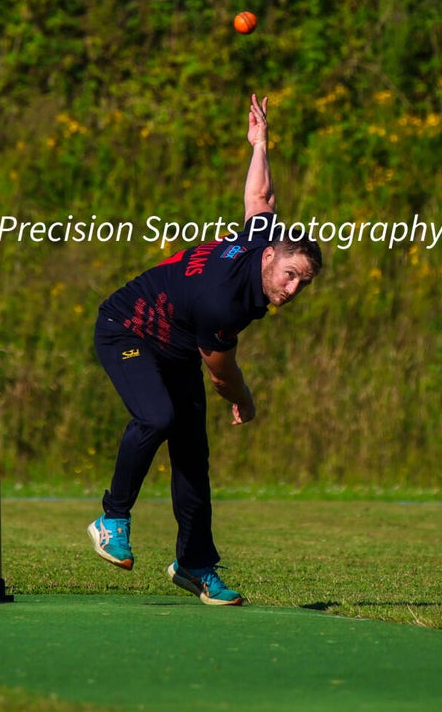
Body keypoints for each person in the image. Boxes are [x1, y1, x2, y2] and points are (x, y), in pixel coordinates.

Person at [88, 93, 322, 605]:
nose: (293, 289)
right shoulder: (226, 301)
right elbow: (220, 368)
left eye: (303, 282)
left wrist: (260, 143)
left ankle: (195, 564)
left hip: (173, 345)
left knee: (193, 457)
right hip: (126, 328)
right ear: (270, 260)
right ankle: (112, 517)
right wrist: (245, 399)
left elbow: (260, 200)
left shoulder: (265, 238)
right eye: (290, 276)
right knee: (157, 417)